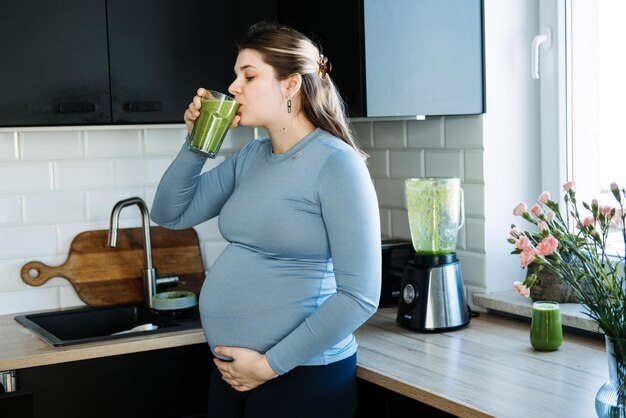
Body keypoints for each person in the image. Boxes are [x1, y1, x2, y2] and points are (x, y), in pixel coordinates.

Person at [151, 21, 381, 418]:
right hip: (232, 375)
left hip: (303, 376)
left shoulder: (337, 164)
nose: (234, 86)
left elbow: (359, 297)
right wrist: (197, 141)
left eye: (249, 75)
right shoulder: (250, 157)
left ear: (290, 85)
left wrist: (268, 366)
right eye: (236, 75)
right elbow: (170, 214)